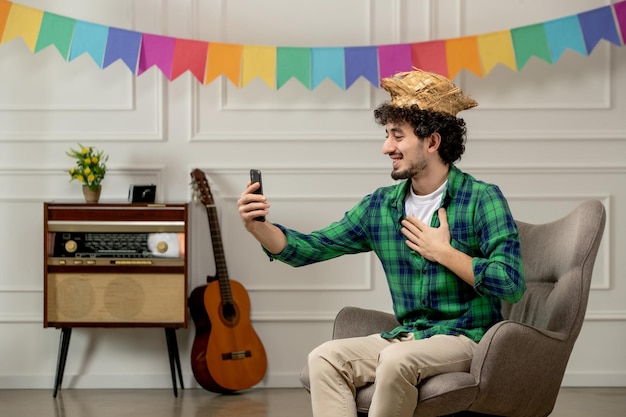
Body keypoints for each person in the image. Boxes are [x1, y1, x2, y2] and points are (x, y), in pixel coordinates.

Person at [237, 68, 526, 417]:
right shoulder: (381, 207)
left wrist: (445, 253)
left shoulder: (482, 199)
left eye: (397, 136)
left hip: (468, 337)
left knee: (395, 360)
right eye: (388, 135)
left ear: (432, 142)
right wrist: (258, 227)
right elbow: (309, 248)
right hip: (409, 335)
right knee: (324, 359)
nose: (386, 146)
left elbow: (510, 283)